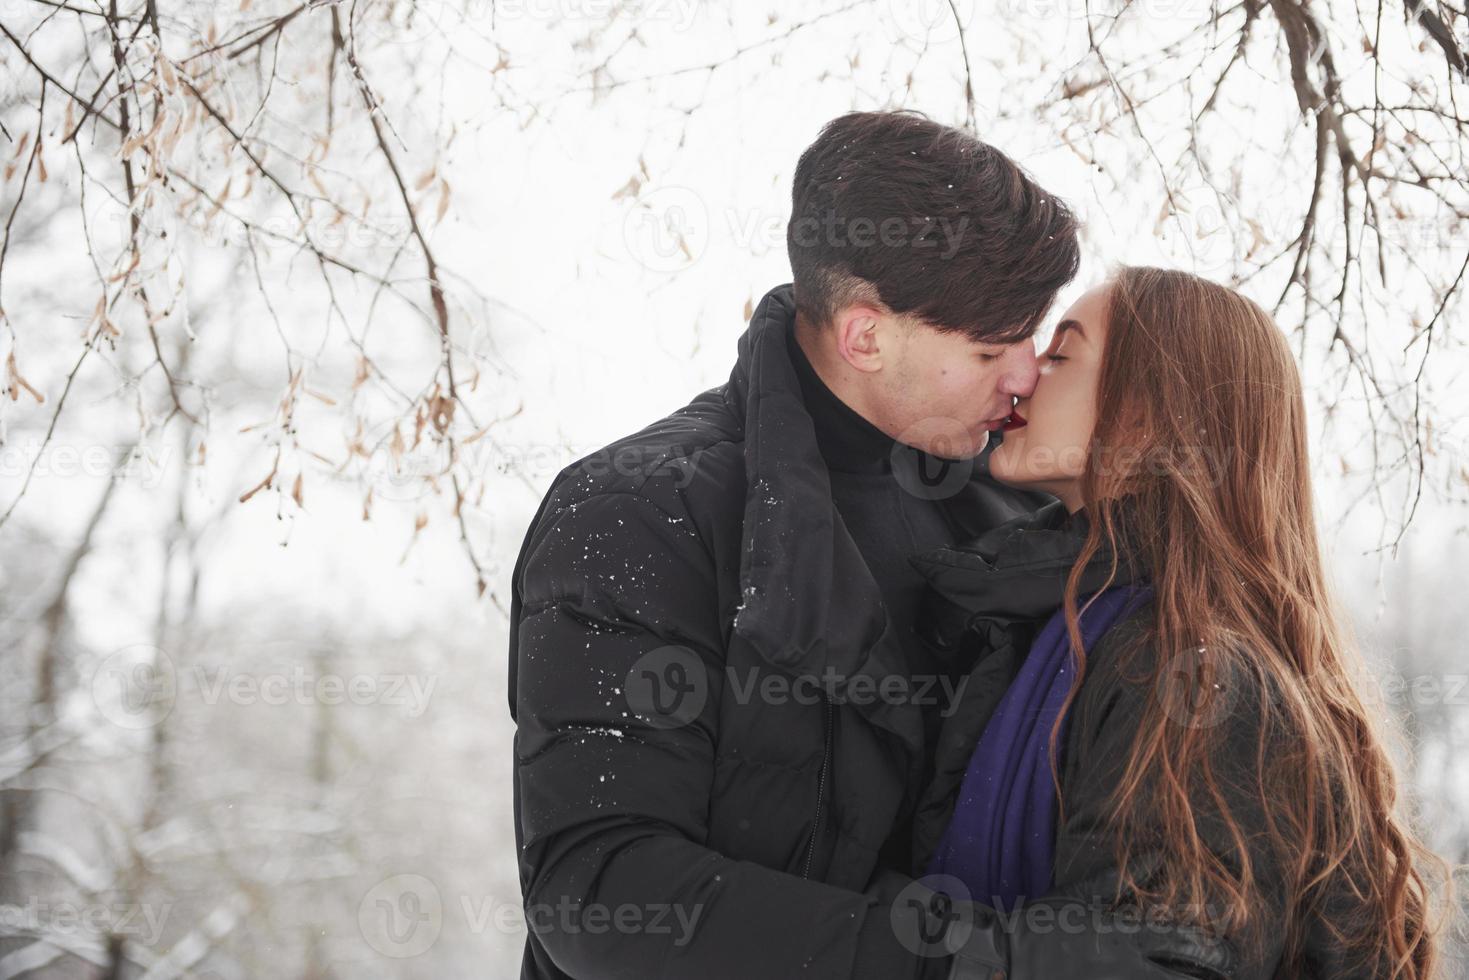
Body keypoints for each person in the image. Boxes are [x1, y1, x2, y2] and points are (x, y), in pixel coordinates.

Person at [508, 109, 1224, 979]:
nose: (1026, 373)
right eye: (994, 346)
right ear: (866, 336)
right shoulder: (640, 512)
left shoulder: (1006, 514)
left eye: (1034, 340)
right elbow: (599, 891)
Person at [906, 266, 1456, 978]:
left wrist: (873, 939)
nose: (1023, 376)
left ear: (1146, 418)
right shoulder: (1055, 627)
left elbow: (1155, 959)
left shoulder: (1194, 675)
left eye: (1059, 355)